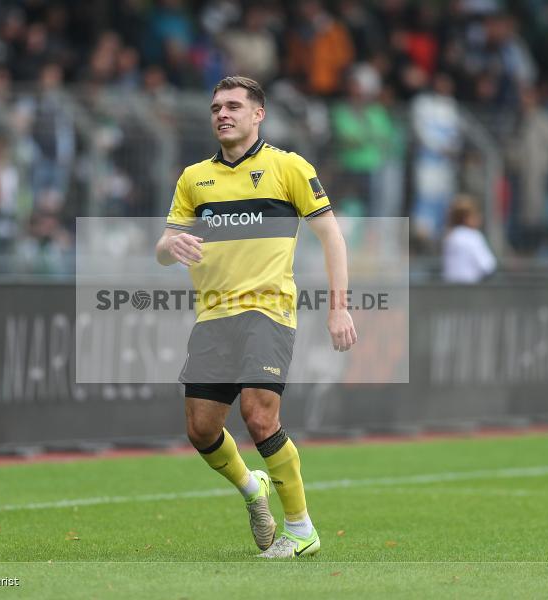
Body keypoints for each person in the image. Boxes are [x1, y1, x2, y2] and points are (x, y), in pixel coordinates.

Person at [155, 76, 356, 558]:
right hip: (213, 316)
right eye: (215, 107)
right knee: (201, 429)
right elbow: (165, 248)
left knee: (259, 416)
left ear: (257, 114)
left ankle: (301, 528)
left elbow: (332, 236)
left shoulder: (288, 167)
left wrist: (339, 306)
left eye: (233, 106)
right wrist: (168, 247)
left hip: (269, 311)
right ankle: (252, 488)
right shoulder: (193, 178)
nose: (222, 114)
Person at [442, 195, 496, 283]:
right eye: (476, 214)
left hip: (450, 289)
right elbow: (487, 266)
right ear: (466, 218)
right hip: (470, 289)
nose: (480, 218)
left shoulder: (450, 237)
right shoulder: (473, 236)